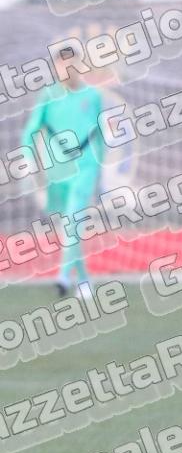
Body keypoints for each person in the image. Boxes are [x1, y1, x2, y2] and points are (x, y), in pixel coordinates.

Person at [19, 42, 105, 300]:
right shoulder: (48, 96)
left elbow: (100, 133)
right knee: (69, 227)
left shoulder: (93, 96)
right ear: (55, 68)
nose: (67, 70)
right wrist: (27, 160)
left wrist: (100, 168)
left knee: (74, 220)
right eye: (61, 65)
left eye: (71, 65)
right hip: (56, 170)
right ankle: (84, 279)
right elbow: (31, 130)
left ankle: (63, 277)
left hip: (85, 167)